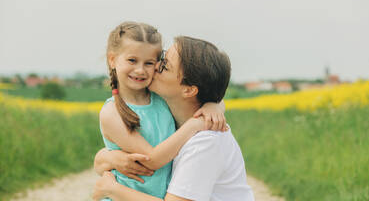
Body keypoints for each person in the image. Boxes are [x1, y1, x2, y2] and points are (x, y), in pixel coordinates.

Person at [93, 36, 255, 201]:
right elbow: (108, 158)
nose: (154, 66)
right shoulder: (172, 116)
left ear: (188, 91)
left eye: (164, 66)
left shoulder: (205, 141)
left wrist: (112, 189)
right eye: (161, 57)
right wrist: (108, 157)